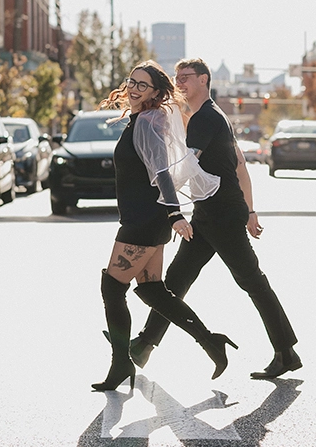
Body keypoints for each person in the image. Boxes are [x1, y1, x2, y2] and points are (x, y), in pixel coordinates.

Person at [130, 58, 300, 380]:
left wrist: (157, 191)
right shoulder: (206, 116)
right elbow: (237, 164)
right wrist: (249, 209)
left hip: (222, 215)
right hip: (208, 213)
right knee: (177, 280)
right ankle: (143, 345)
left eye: (186, 77)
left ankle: (285, 352)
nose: (179, 82)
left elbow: (186, 166)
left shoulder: (206, 117)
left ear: (204, 80)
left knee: (252, 281)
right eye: (177, 77)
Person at [89, 62, 237, 393]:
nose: (135, 89)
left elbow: (162, 172)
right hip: (146, 218)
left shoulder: (149, 121)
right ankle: (211, 342)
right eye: (132, 82)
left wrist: (175, 214)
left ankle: (120, 363)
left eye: (144, 85)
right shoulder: (142, 120)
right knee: (153, 290)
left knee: (113, 288)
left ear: (157, 92)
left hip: (144, 220)